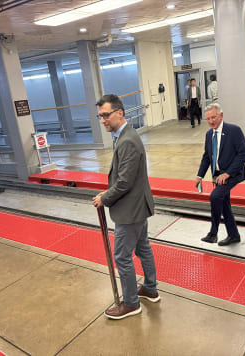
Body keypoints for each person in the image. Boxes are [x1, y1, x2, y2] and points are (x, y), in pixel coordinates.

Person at [92, 94, 159, 320]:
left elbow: (124, 182)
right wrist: (108, 192)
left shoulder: (128, 140)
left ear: (120, 113)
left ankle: (131, 303)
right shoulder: (124, 136)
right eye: (100, 116)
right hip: (138, 206)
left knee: (121, 256)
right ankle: (150, 288)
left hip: (130, 210)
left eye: (106, 115)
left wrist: (105, 198)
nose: (103, 120)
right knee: (143, 248)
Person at [195, 103, 245, 246]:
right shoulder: (208, 134)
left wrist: (228, 174)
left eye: (214, 117)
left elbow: (243, 154)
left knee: (215, 196)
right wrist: (200, 176)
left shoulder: (234, 130)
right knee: (224, 203)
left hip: (232, 173)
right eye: (208, 119)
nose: (211, 121)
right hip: (217, 175)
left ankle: (213, 233)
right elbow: (207, 156)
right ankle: (234, 235)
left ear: (221, 115)